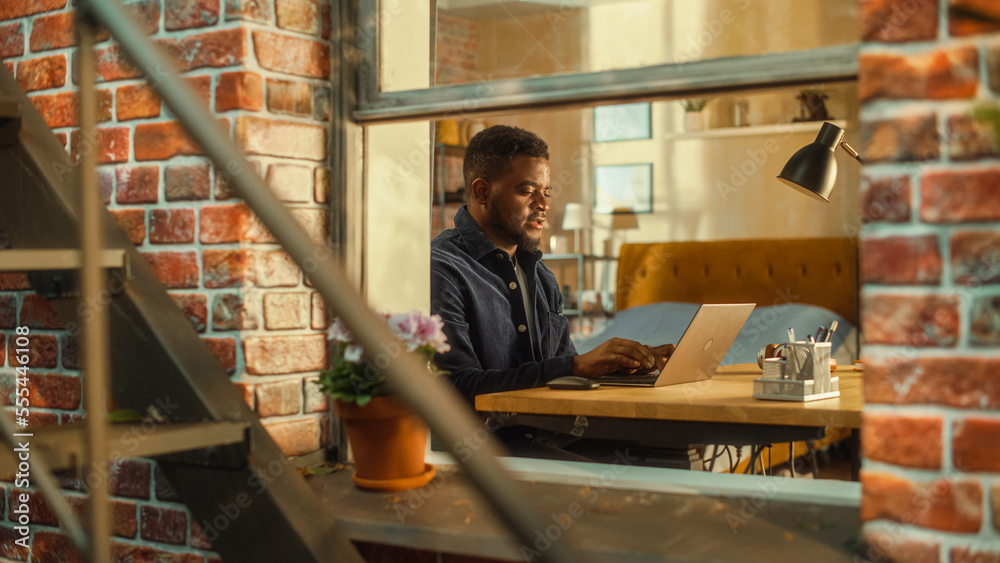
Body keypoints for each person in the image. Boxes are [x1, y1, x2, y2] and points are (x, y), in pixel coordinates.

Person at [430, 124, 674, 456]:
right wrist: (575, 367)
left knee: (667, 446)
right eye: (527, 190)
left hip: (551, 434)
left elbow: (564, 370)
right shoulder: (441, 269)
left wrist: (617, 366)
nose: (543, 203)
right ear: (482, 191)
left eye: (547, 190)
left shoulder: (542, 276)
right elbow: (454, 389)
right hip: (486, 454)